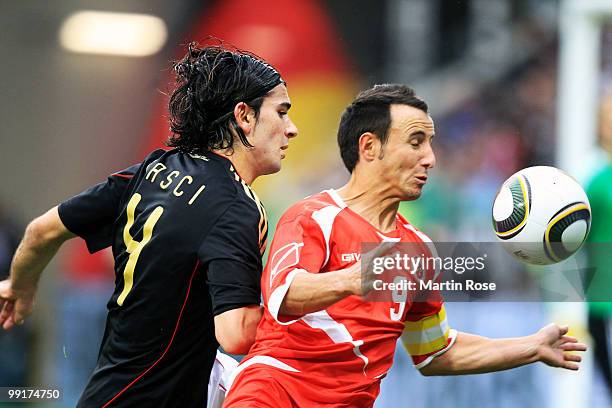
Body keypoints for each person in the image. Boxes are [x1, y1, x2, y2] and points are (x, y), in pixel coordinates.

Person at [223, 84, 587, 407]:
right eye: (415, 142)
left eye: (430, 143)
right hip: (273, 394)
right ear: (369, 146)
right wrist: (352, 279)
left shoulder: (419, 250)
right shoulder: (314, 216)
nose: (430, 158)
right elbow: (282, 296)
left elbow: (435, 352)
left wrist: (531, 347)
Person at [0, 42, 298, 407]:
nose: (291, 129)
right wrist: (308, 299)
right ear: (244, 116)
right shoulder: (237, 207)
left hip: (104, 396)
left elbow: (41, 231)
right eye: (281, 113)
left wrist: (20, 285)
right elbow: (236, 332)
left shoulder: (155, 168)